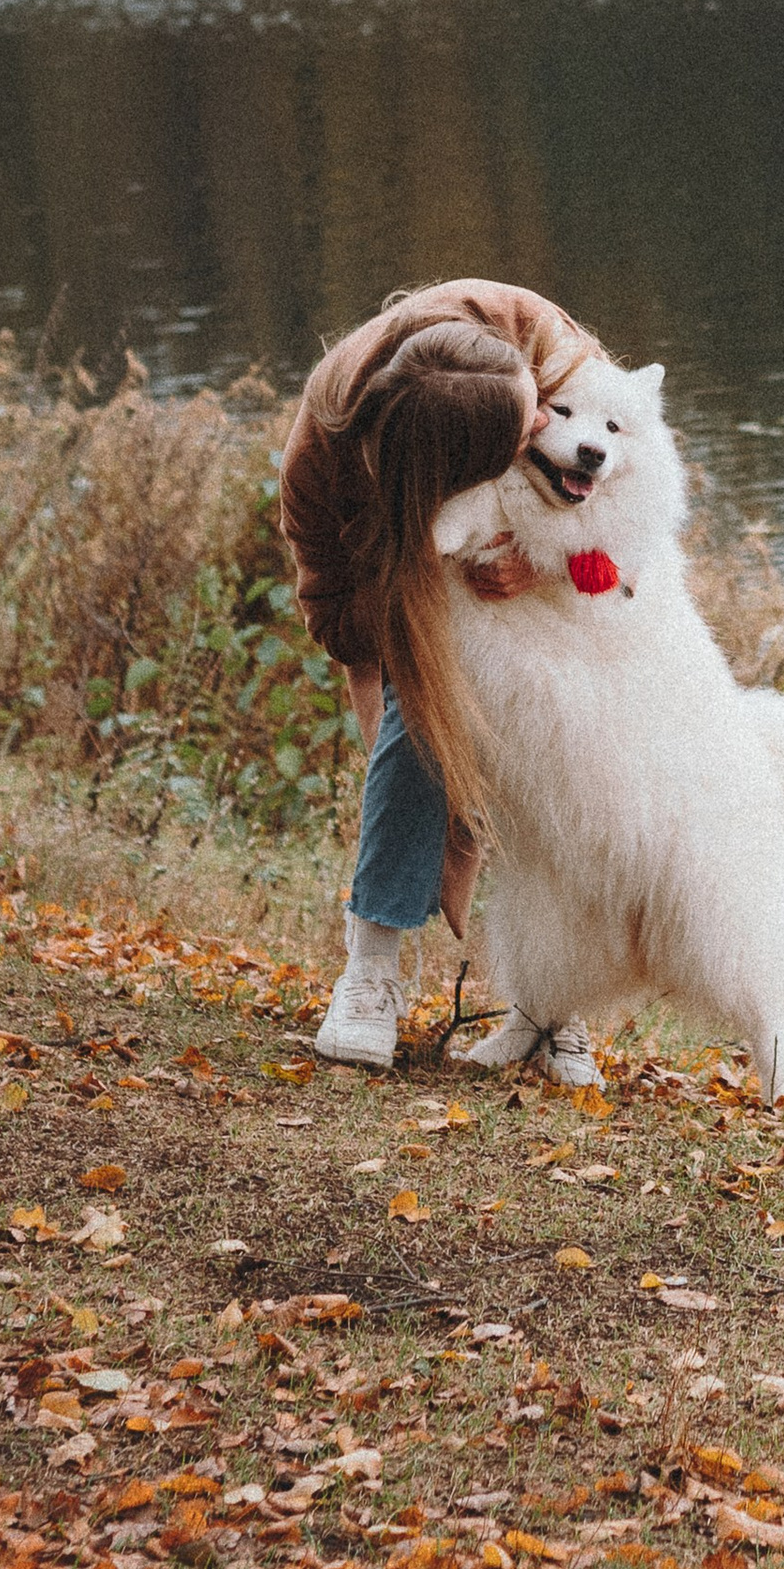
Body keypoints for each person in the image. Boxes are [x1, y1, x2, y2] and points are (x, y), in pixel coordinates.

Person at [281, 280, 597, 1077]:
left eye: (536, 401)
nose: (543, 423)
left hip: (558, 595)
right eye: (529, 421)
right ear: (466, 468)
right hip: (413, 586)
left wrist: (543, 556)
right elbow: (343, 624)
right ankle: (371, 973)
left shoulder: (522, 328)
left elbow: (627, 453)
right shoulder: (323, 470)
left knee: (569, 766)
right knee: (417, 731)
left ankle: (556, 999)